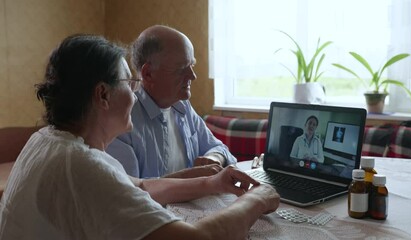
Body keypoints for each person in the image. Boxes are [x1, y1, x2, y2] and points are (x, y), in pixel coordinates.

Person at [0, 34, 279, 239]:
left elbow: (142, 187)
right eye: (129, 82)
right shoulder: (81, 166)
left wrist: (213, 181)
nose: (135, 93)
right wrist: (256, 200)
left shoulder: (49, 140)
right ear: (103, 95)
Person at [107, 25, 236, 178]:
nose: (193, 76)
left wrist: (214, 158)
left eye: (192, 65)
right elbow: (130, 192)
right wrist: (196, 182)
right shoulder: (122, 122)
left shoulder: (182, 107)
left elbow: (218, 148)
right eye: (181, 68)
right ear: (148, 74)